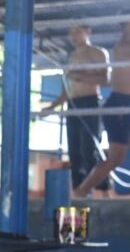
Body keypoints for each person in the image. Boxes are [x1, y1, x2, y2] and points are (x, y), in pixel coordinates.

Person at [74, 9, 130, 198]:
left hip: (128, 105)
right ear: (129, 24)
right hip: (119, 104)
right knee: (116, 158)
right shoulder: (126, 47)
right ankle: (80, 192)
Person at [40, 25, 110, 196]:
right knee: (74, 152)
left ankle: (104, 191)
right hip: (73, 104)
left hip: (90, 101)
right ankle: (79, 192)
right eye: (71, 33)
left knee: (89, 149)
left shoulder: (98, 53)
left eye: (78, 32)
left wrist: (80, 76)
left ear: (88, 32)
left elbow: (105, 79)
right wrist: (52, 107)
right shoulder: (72, 56)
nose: (74, 37)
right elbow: (68, 89)